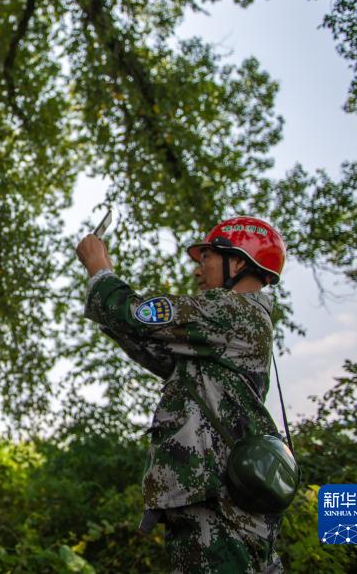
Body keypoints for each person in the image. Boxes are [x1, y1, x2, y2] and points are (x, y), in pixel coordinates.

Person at [76, 216, 288, 573]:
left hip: (218, 503)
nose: (197, 270)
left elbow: (137, 317)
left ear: (237, 263)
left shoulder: (233, 311)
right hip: (212, 500)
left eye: (206, 258)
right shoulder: (229, 325)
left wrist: (100, 270)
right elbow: (156, 350)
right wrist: (111, 308)